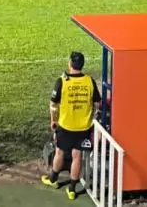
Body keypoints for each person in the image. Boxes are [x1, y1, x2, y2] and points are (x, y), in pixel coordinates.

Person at [41, 52, 102, 201]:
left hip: (66, 125)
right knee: (77, 156)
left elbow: (53, 104)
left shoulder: (62, 81)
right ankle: (72, 190)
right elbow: (97, 102)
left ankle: (53, 180)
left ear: (70, 64)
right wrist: (92, 115)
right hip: (83, 127)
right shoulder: (89, 81)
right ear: (82, 65)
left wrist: (53, 120)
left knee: (60, 152)